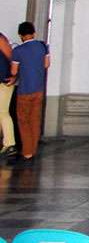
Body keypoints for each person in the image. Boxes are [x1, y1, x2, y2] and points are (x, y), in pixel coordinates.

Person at [8, 21, 49, 164]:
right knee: (35, 119)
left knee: (23, 121)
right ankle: (33, 149)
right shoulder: (43, 46)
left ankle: (27, 152)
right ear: (33, 33)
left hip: (24, 89)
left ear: (20, 35)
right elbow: (46, 64)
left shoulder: (18, 51)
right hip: (39, 89)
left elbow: (14, 71)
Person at [0, 29, 16, 159]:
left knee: (3, 112)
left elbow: (11, 56)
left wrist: (14, 76)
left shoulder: (0, 38)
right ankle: (7, 144)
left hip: (4, 80)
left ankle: (10, 144)